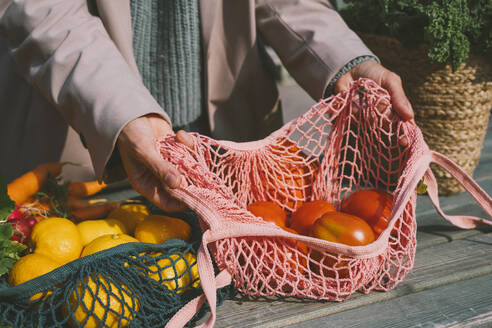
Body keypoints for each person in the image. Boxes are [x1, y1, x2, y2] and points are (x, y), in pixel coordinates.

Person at [0, 0, 413, 212]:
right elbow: (42, 13)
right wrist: (124, 116)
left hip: (234, 159)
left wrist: (344, 59)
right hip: (81, 156)